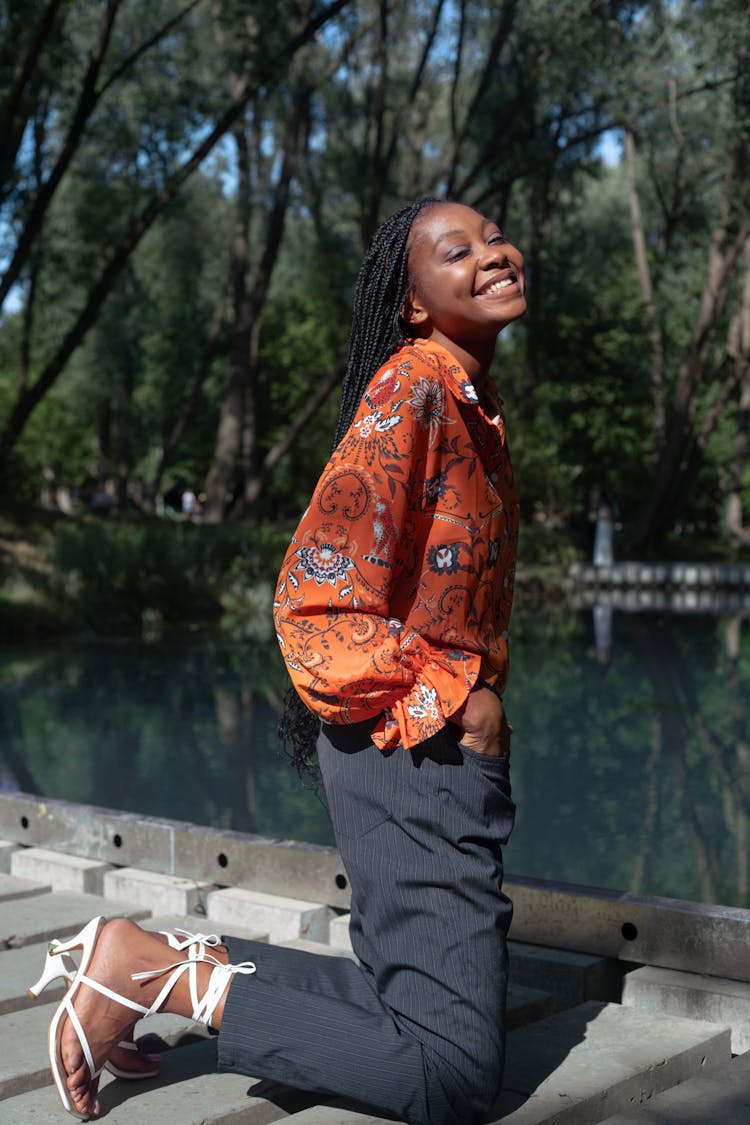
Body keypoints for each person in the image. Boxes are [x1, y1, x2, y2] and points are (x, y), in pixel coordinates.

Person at [33, 198, 525, 1124]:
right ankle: (170, 981)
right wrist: (462, 700)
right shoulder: (410, 390)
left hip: (432, 759)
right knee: (450, 1078)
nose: (494, 254)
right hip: (411, 751)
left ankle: (166, 961)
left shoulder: (465, 401)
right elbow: (313, 603)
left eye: (496, 237)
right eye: (459, 251)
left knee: (418, 1010)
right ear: (413, 302)